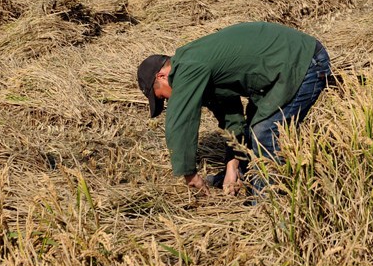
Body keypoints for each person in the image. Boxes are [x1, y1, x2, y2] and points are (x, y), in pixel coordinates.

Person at [137, 22, 332, 197]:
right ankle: (242, 178)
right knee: (252, 130)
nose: (170, 101)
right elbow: (232, 118)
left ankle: (269, 204)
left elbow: (180, 119)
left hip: (303, 62)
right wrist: (232, 166)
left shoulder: (188, 68)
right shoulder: (198, 70)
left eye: (162, 97)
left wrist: (189, 173)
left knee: (265, 132)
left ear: (161, 76)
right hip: (279, 68)